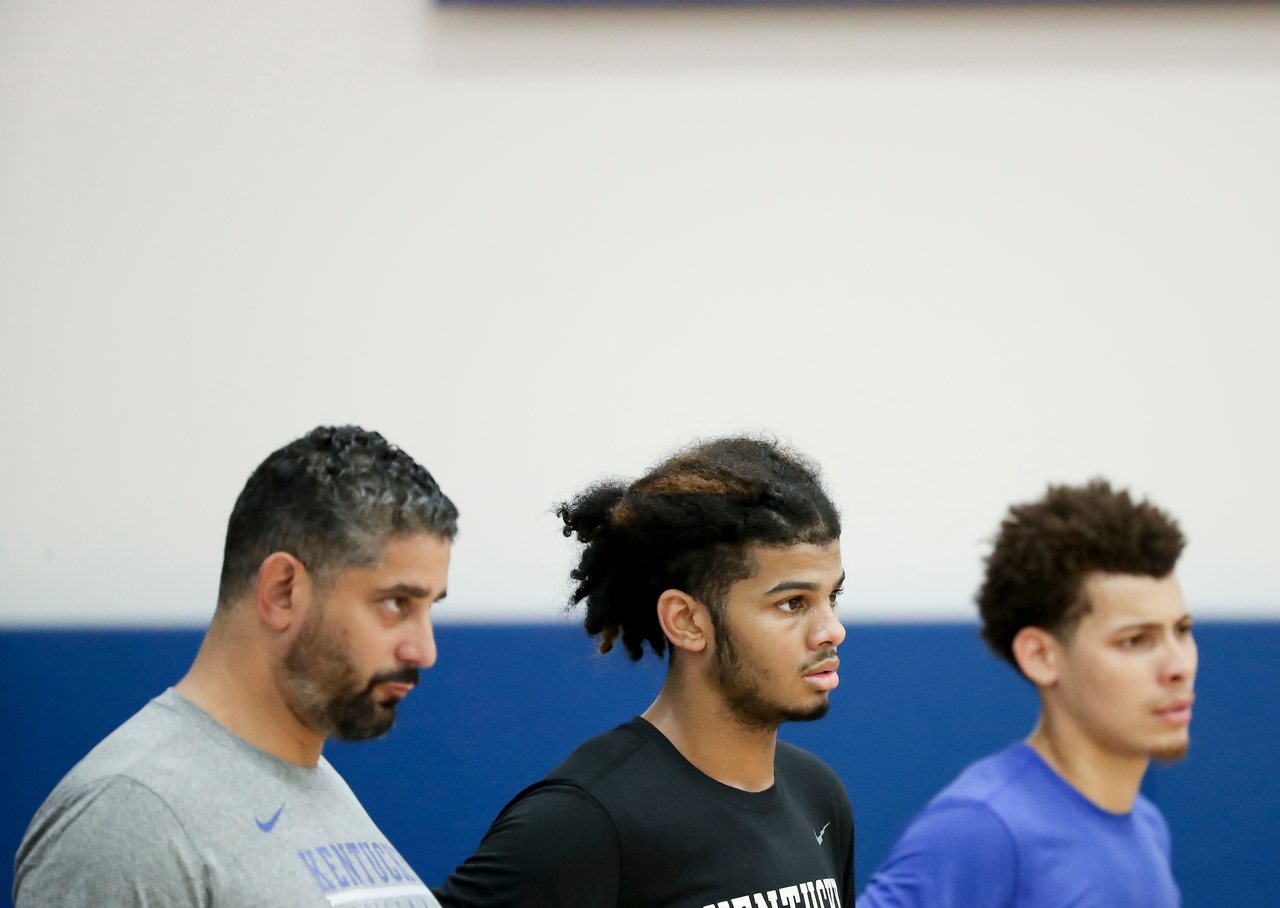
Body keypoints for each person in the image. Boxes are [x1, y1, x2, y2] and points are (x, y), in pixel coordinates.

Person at [14, 425, 457, 908]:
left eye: (430, 607)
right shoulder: (129, 816)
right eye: (396, 603)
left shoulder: (319, 788)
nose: (424, 651)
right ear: (282, 591)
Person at [434, 436, 855, 908]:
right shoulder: (581, 821)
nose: (831, 630)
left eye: (831, 598)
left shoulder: (818, 796)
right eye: (792, 603)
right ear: (687, 621)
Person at [857, 479, 1195, 908]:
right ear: (1040, 656)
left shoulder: (1147, 827)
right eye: (1135, 640)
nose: (1178, 666)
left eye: (1182, 631)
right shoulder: (980, 829)